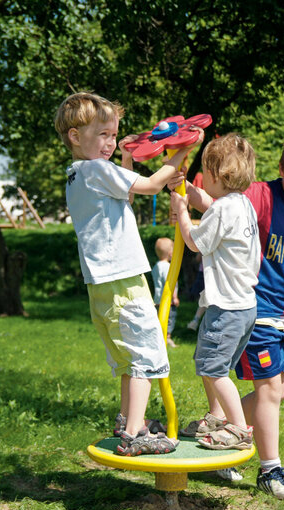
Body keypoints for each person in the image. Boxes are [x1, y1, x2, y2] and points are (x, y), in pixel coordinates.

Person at [170, 129, 284, 498]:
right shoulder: (260, 195)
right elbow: (219, 209)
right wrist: (186, 195)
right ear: (281, 169)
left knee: (276, 393)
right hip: (254, 307)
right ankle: (270, 470)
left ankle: (220, 433)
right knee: (267, 392)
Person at [54, 91, 200, 456]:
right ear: (75, 135)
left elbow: (126, 195)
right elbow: (150, 187)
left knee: (126, 357)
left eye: (114, 135)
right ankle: (136, 433)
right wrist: (180, 152)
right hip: (123, 279)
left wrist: (127, 157)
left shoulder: (77, 176)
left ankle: (125, 419)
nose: (111, 141)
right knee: (146, 354)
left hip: (101, 285)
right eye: (102, 134)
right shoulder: (97, 170)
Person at [170, 132, 261, 453]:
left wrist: (182, 211)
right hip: (244, 306)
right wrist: (193, 195)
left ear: (216, 175)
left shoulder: (223, 211)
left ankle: (238, 428)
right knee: (208, 362)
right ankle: (216, 416)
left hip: (226, 307)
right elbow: (215, 208)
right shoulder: (242, 205)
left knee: (212, 368)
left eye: (204, 172)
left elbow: (196, 241)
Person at [152, 237, 180, 347]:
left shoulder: (156, 266)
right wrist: (175, 297)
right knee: (170, 318)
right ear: (170, 253)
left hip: (157, 299)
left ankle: (159, 338)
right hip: (168, 300)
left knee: (160, 318)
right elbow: (169, 283)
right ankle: (167, 337)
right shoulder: (168, 267)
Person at [187, 252, 207, 331]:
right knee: (205, 299)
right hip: (206, 274)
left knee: (204, 299)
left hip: (204, 273)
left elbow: (197, 259)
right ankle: (197, 320)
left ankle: (196, 320)